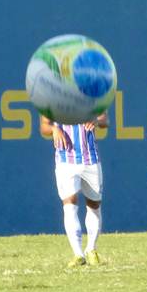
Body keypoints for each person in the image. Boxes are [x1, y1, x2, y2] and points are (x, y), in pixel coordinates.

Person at [41, 114, 108, 267]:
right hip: (66, 160)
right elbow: (44, 126)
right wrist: (54, 129)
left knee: (94, 204)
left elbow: (105, 120)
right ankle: (78, 254)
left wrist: (97, 121)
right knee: (69, 203)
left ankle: (91, 248)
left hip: (90, 159)